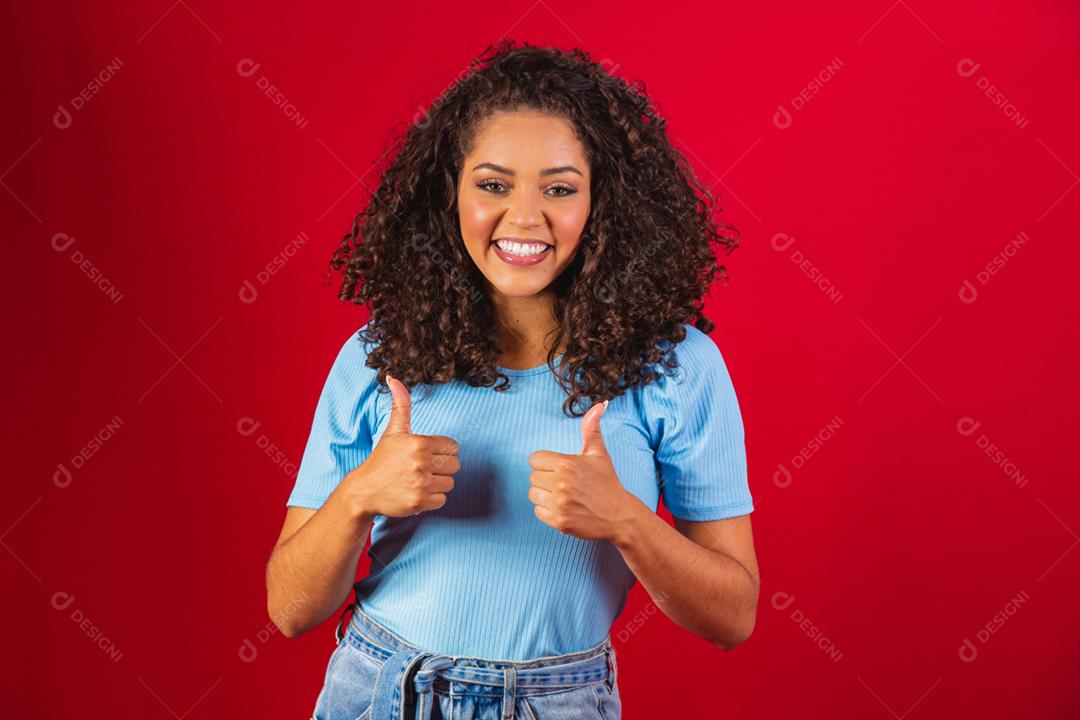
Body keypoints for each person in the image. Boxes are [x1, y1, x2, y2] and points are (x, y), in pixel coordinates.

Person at [266, 39, 760, 720]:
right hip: (377, 689)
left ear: (602, 206)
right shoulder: (379, 356)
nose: (524, 218)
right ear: (451, 195)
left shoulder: (677, 367)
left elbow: (733, 615)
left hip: (554, 702)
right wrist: (357, 497)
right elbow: (290, 609)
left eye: (559, 188)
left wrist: (625, 523)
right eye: (493, 185)